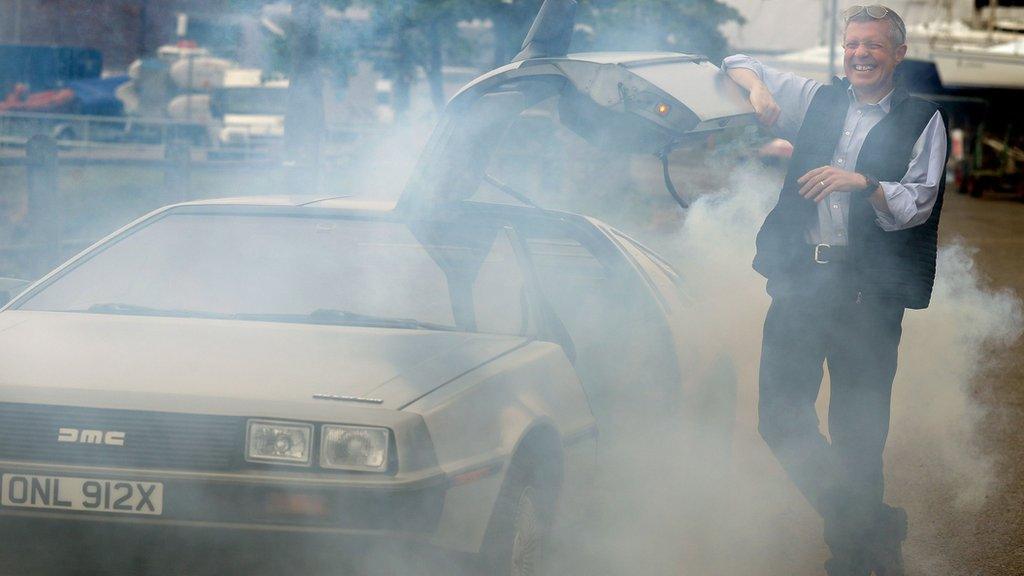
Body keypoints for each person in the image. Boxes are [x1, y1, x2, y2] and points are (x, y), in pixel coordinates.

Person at [722, 5, 948, 576]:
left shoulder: (925, 120)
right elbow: (737, 60)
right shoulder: (818, 99)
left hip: (869, 296)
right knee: (779, 419)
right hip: (803, 282)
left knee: (858, 433)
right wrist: (757, 93)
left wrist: (865, 183)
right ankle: (870, 528)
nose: (861, 54)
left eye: (874, 44)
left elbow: (916, 206)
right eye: (852, 44)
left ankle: (851, 558)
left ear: (897, 54)